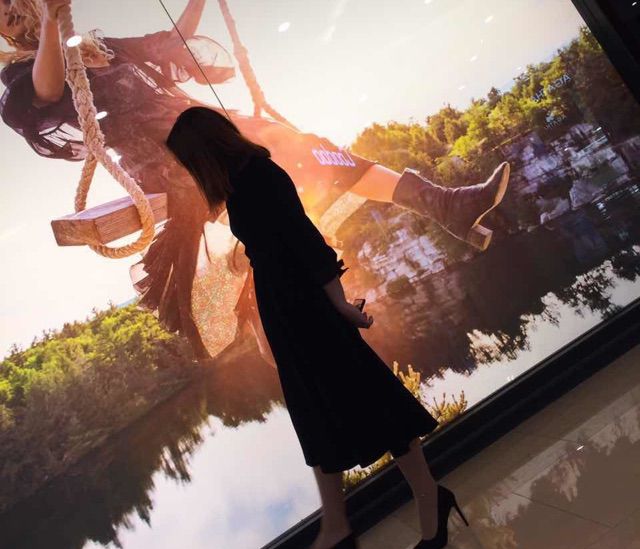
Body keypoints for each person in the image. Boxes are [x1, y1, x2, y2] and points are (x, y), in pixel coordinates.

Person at [0, 0, 511, 369]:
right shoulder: (21, 79)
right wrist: (51, 22)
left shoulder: (95, 45)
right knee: (271, 210)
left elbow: (174, 41)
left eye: (11, 4)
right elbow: (47, 91)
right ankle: (299, 353)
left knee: (311, 150)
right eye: (1, 17)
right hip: (170, 155)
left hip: (210, 128)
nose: (10, 15)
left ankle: (444, 204)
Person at [166, 106, 471, 549]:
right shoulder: (245, 183)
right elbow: (282, 246)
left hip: (307, 311)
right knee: (318, 414)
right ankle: (342, 523)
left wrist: (339, 305)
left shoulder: (260, 178)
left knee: (370, 404)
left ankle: (417, 500)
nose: (190, 173)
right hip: (289, 313)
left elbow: (308, 243)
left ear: (203, 154)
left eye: (188, 163)